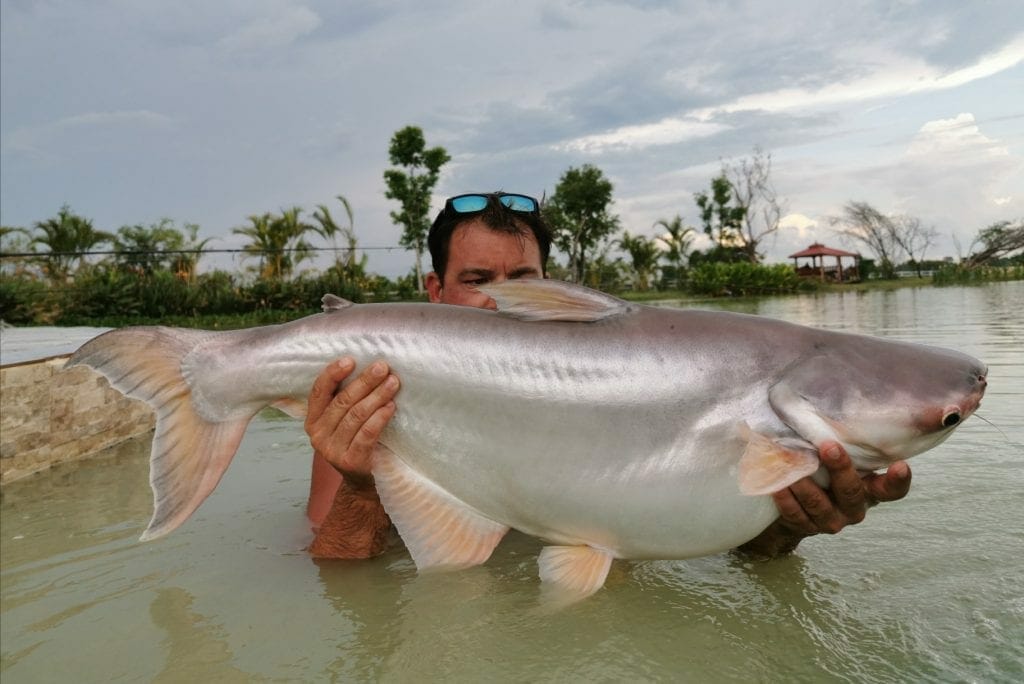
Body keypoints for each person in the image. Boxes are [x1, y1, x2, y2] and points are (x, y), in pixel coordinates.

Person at [302, 192, 913, 560]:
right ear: (435, 292)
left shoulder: (634, 386)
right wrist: (362, 486)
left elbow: (731, 552)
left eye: (523, 281)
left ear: (550, 287)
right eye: (477, 281)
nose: (500, 300)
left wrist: (789, 525)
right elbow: (333, 574)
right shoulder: (367, 397)